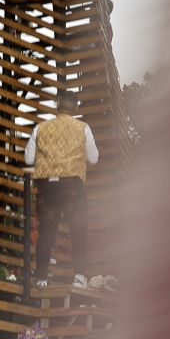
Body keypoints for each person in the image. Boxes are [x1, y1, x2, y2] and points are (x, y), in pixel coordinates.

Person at [24, 99, 100, 290]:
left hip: (47, 186)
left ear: (57, 106)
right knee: (78, 230)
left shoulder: (41, 128)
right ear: (74, 108)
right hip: (72, 186)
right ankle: (79, 277)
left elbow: (28, 158)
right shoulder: (82, 127)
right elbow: (93, 158)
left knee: (46, 232)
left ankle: (41, 278)